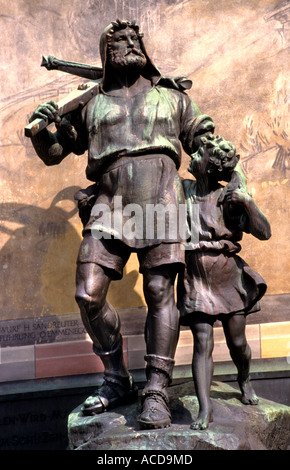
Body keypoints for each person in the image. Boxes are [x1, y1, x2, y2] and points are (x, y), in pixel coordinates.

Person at [28, 19, 245, 429]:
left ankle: (157, 391)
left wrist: (233, 175)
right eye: (118, 43)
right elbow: (56, 151)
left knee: (159, 289)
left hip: (161, 197)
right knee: (87, 294)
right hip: (109, 202)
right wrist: (42, 132)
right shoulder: (91, 102)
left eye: (134, 40)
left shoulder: (171, 96)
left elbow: (206, 140)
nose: (128, 45)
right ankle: (116, 378)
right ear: (105, 55)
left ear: (145, 50)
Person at [177, 134, 271, 430]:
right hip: (195, 276)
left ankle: (244, 378)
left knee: (238, 342)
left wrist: (248, 201)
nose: (192, 155)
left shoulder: (227, 198)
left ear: (211, 165)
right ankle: (206, 409)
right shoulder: (182, 190)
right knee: (202, 341)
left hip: (227, 275)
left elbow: (264, 232)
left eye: (200, 152)